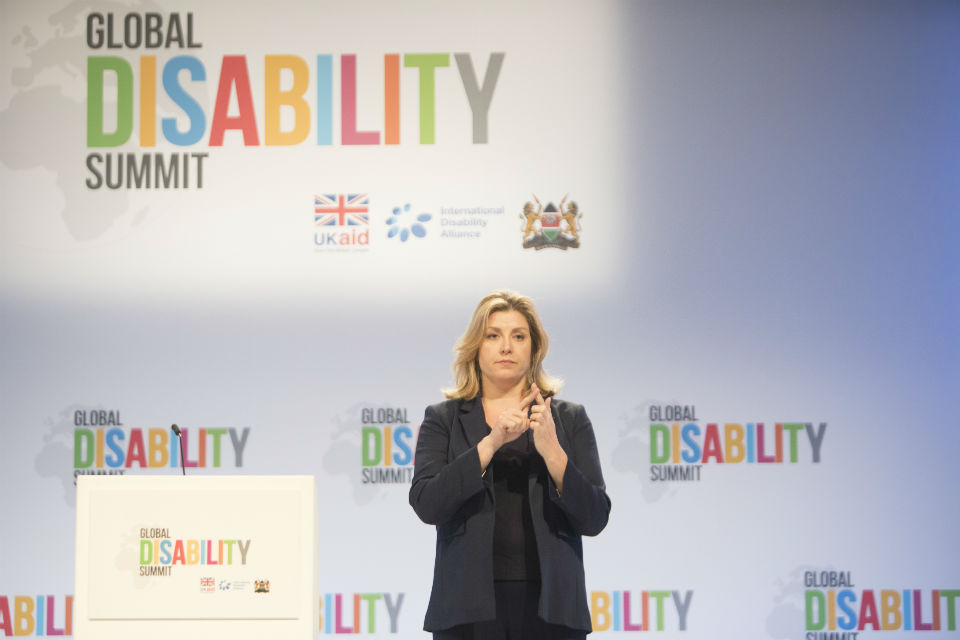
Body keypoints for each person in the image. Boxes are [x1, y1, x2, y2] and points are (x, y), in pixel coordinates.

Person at [409, 290, 611, 639]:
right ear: (477, 346)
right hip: (466, 611)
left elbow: (594, 518)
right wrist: (490, 443)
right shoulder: (443, 418)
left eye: (519, 336)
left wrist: (553, 453)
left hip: (553, 610)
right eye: (493, 335)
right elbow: (428, 504)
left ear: (534, 349)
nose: (506, 347)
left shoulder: (569, 419)